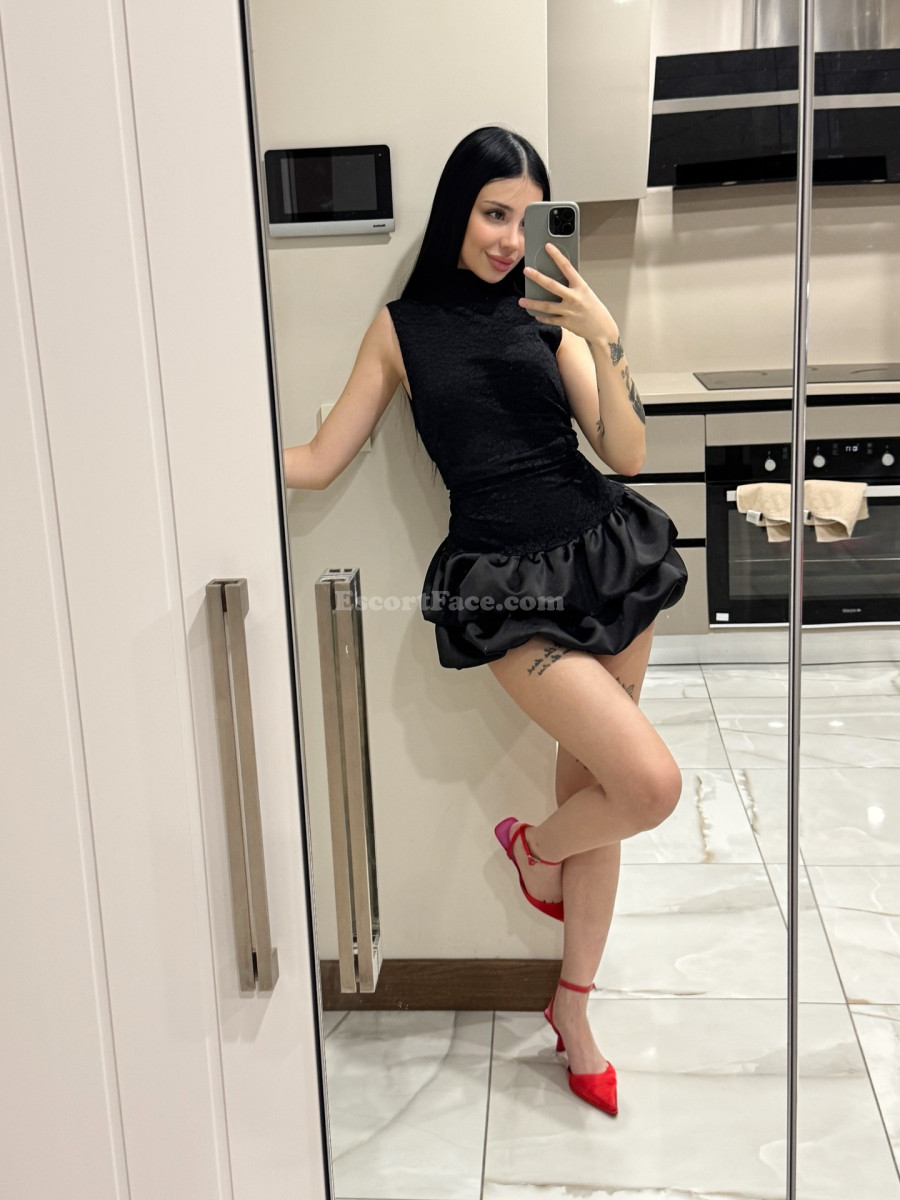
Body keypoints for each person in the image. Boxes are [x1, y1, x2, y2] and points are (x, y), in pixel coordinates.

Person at [283, 126, 688, 1117]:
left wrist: (601, 332)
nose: (510, 237)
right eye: (493, 212)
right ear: (457, 213)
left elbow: (627, 454)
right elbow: (321, 460)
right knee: (649, 785)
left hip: (607, 555)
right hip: (505, 587)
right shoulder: (402, 329)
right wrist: (200, 448)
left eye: (525, 216)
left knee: (606, 793)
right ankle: (534, 852)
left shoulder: (550, 313)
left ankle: (573, 1009)